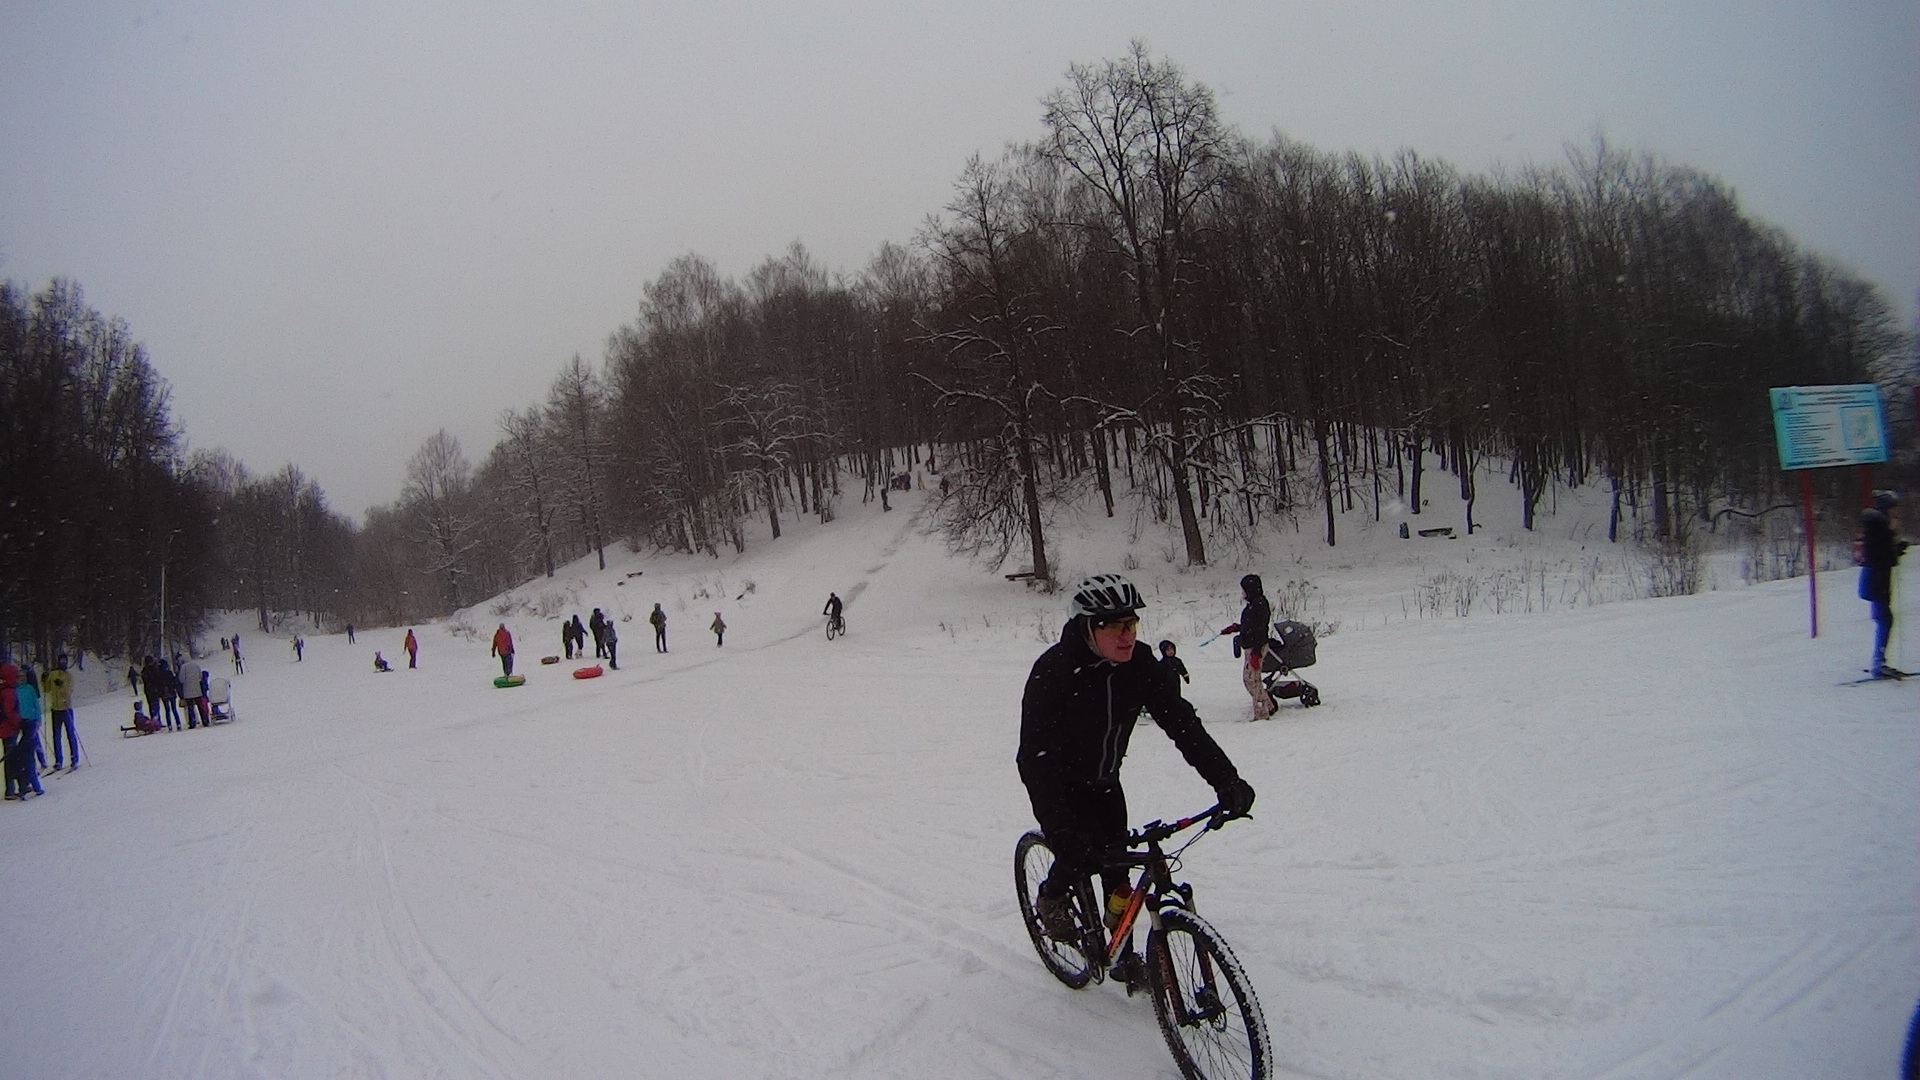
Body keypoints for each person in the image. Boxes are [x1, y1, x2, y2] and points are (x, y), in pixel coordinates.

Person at [1018, 574, 1255, 956]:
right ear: (1088, 627)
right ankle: (1051, 896)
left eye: (1132, 624)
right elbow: (1034, 758)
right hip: (1061, 787)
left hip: (1107, 783)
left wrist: (1227, 780)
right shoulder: (1054, 672)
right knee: (1075, 855)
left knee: (1119, 880)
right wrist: (1060, 828)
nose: (1127, 635)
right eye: (1115, 626)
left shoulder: (1140, 664)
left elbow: (1183, 726)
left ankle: (1122, 955)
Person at [1860, 490, 1911, 678]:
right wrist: (1895, 548)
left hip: (1876, 580)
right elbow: (1882, 556)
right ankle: (1878, 663)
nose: (1896, 511)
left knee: (1884, 620)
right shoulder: (1880, 527)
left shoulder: (1877, 526)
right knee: (1885, 620)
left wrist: (1895, 547)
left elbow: (1880, 553)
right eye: (1893, 508)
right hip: (1878, 581)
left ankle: (1879, 661)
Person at [1219, 574, 1275, 720]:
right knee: (1252, 679)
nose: (1243, 593)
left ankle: (1262, 713)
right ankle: (1268, 706)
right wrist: (1237, 627)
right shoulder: (1253, 604)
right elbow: (1250, 625)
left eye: (1244, 589)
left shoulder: (1259, 605)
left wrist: (1256, 652)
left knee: (1251, 680)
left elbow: (1260, 629)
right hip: (1251, 646)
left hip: (1256, 647)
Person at [1, 662, 34, 799]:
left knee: (11, 757)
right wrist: (19, 721)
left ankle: (13, 787)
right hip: (9, 728)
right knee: (14, 758)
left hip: (4, 728)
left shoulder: (3, 690)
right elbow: (9, 711)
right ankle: (17, 787)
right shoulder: (9, 692)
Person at [44, 654, 77, 770]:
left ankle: (74, 758)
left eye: (64, 661)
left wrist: (61, 685)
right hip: (56, 709)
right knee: (56, 736)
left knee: (70, 734)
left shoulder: (69, 676)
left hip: (66, 708)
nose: (62, 662)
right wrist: (44, 680)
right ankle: (58, 760)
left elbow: (69, 691)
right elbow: (46, 689)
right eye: (61, 660)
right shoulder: (53, 674)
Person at [16, 666, 45, 788]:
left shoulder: (30, 688)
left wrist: (38, 719)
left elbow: (36, 704)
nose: (21, 679)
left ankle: (41, 760)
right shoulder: (15, 690)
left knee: (33, 742)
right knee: (26, 745)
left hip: (31, 720)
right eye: (19, 677)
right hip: (20, 721)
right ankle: (30, 771)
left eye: (23, 676)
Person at [179, 655, 210, 728]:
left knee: (190, 708)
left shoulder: (183, 667)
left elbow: (181, 679)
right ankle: (205, 721)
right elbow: (200, 676)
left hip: (188, 691)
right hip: (197, 689)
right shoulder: (196, 665)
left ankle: (192, 723)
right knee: (200, 707)